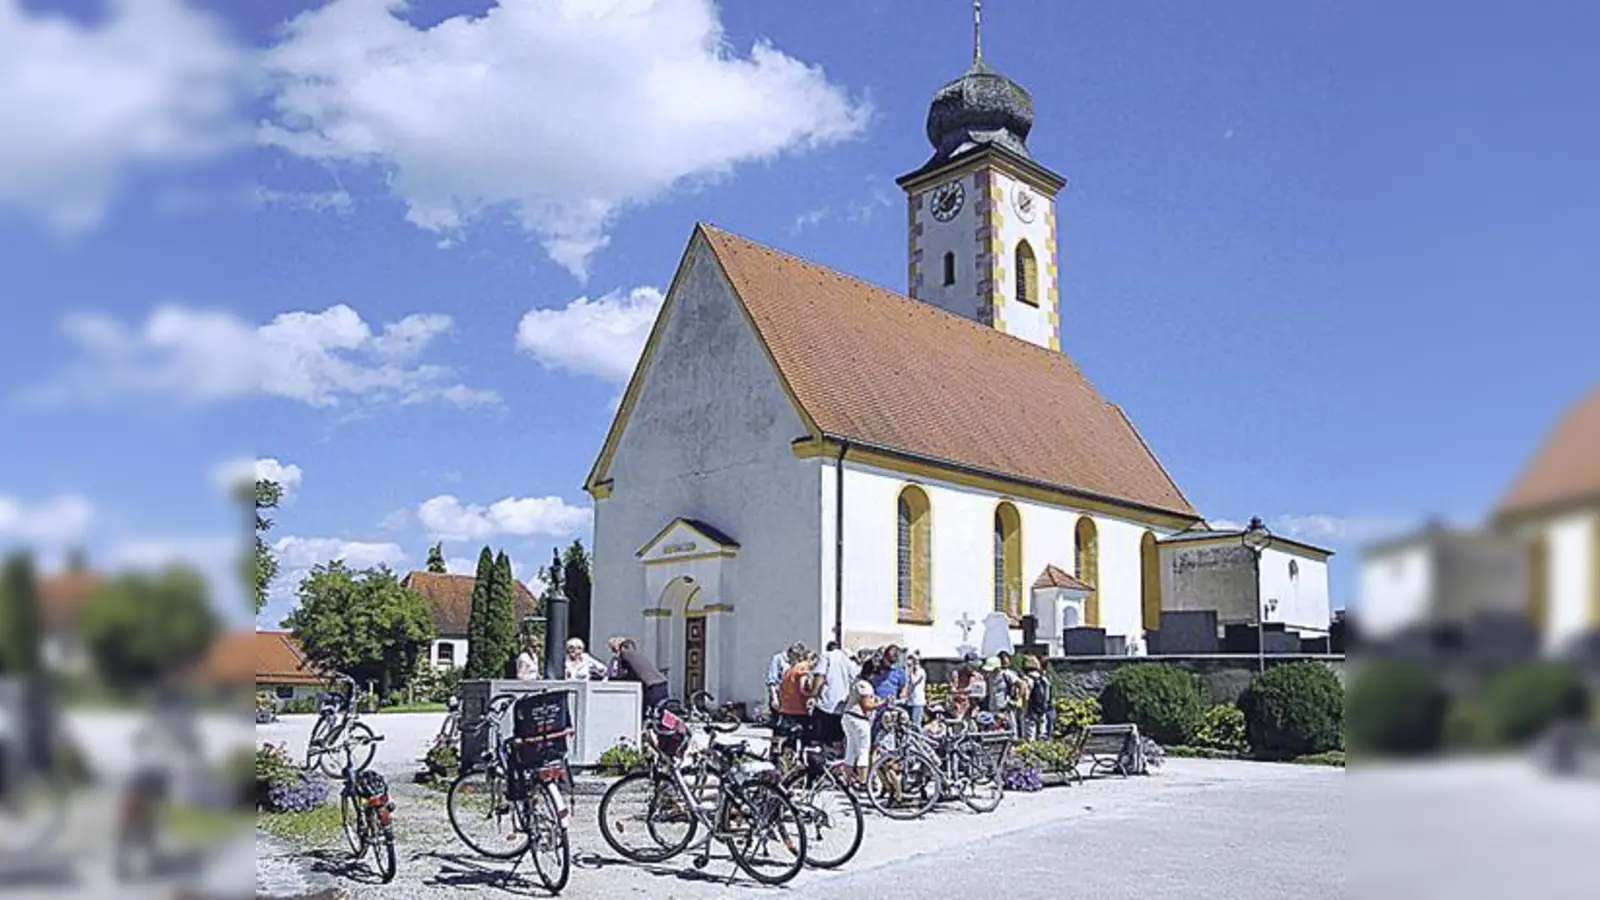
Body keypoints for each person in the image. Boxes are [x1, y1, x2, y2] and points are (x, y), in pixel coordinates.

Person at [843, 657, 886, 786]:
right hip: (859, 719)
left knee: (851, 750)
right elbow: (866, 705)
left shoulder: (857, 682)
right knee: (863, 750)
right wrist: (882, 702)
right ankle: (863, 781)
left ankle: (848, 779)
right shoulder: (865, 685)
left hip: (848, 717)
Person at [770, 650, 817, 763]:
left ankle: (786, 762)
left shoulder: (788, 670)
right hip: (799, 709)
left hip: (786, 708)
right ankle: (803, 762)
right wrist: (811, 694)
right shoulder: (803, 669)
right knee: (805, 738)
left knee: (789, 739)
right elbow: (802, 687)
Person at [606, 636, 669, 716]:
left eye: (612, 649)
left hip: (652, 687)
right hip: (661, 683)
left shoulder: (624, 654)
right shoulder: (635, 653)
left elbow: (618, 674)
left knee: (640, 713)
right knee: (659, 714)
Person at [811, 640, 854, 749]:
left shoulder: (826, 656)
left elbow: (819, 676)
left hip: (826, 703)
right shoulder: (847, 660)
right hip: (842, 704)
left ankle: (818, 759)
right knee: (837, 737)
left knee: (818, 737)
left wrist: (812, 695)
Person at [766, 642, 805, 723]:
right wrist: (774, 698)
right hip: (779, 696)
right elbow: (772, 681)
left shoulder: (797, 663)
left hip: (793, 700)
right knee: (778, 725)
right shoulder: (778, 659)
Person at [1021, 655, 1052, 740]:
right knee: (1042, 734)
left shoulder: (1027, 679)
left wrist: (1024, 709)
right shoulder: (1044, 679)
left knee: (1030, 736)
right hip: (1042, 710)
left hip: (1031, 711)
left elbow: (1025, 696)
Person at [950, 652, 985, 718]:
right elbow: (952, 690)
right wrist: (963, 691)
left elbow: (981, 696)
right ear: (965, 664)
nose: (974, 668)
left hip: (973, 709)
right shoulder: (957, 674)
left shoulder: (978, 676)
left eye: (975, 666)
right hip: (960, 708)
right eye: (971, 666)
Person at [905, 651, 928, 730]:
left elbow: (914, 682)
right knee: (909, 724)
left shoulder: (921, 672)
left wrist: (910, 671)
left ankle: (919, 740)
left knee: (916, 725)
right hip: (910, 701)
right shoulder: (910, 673)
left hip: (918, 701)